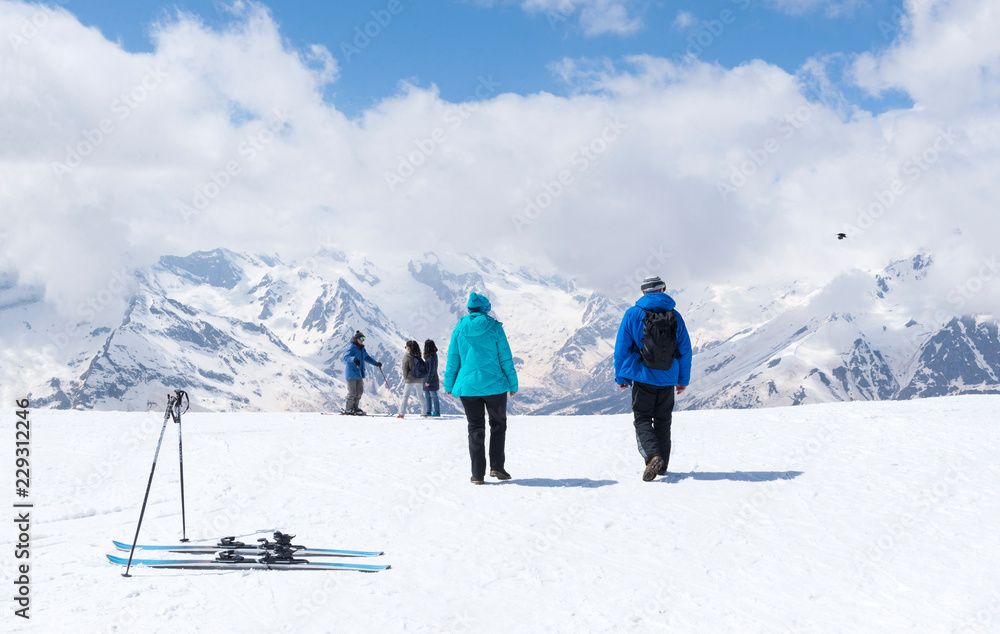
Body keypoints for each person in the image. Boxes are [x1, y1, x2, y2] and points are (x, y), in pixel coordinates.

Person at [614, 275, 692, 481]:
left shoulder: (632, 314)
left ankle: (652, 457)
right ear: (662, 290)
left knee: (642, 418)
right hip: (667, 378)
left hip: (642, 377)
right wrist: (682, 380)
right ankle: (662, 465)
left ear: (643, 293)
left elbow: (621, 348)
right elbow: (685, 350)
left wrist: (620, 376)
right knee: (663, 421)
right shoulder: (675, 316)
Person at [444, 292, 518, 485]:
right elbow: (505, 357)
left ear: (469, 309)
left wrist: (449, 384)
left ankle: (477, 474)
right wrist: (513, 383)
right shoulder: (494, 328)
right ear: (486, 308)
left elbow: (453, 359)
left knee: (475, 428)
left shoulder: (458, 329)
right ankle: (497, 467)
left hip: (468, 388)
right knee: (498, 425)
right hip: (495, 386)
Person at [343, 331, 382, 415]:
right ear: (356, 339)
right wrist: (354, 359)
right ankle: (348, 409)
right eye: (361, 338)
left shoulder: (361, 348)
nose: (362, 340)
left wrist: (375, 363)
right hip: (351, 373)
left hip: (359, 373)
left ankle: (355, 408)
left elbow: (366, 357)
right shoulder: (352, 347)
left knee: (359, 392)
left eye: (363, 339)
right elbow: (346, 357)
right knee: (352, 392)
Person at [397, 340, 424, 418]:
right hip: (419, 379)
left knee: (405, 397)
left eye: (406, 347)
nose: (405, 348)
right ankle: (424, 413)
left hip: (410, 379)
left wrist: (406, 377)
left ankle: (401, 414)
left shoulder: (408, 356)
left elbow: (405, 368)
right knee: (421, 396)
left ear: (408, 347)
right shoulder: (418, 355)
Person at [422, 339, 441, 417]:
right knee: (427, 396)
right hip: (427, 378)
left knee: (433, 395)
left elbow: (432, 370)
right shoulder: (429, 356)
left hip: (431, 379)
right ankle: (428, 411)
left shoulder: (433, 357)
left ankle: (437, 412)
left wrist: (428, 380)